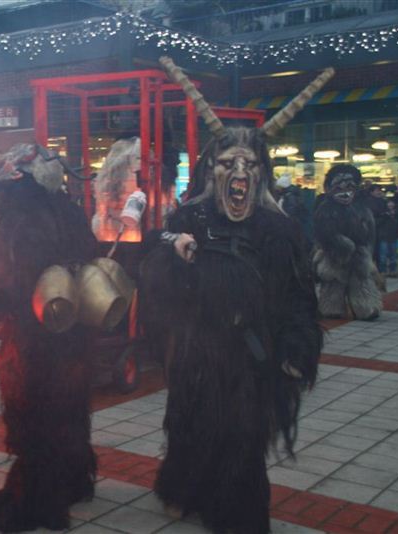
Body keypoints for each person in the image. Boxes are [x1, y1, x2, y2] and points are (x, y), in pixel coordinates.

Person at [140, 56, 325, 534]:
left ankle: (237, 517)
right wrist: (172, 251)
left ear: (261, 173)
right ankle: (185, 488)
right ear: (212, 170)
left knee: (243, 439)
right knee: (189, 426)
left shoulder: (279, 231)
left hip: (248, 359)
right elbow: (154, 268)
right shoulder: (190, 218)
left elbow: (299, 296)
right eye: (227, 164)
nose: (238, 173)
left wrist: (297, 347)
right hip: (196, 355)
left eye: (249, 165)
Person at [0, 143, 99, 532]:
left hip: (32, 337)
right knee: (70, 408)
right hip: (73, 330)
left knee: (33, 414)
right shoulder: (70, 210)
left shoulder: (14, 216)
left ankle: (39, 500)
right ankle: (74, 478)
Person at [314, 165, 382, 320]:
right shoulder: (325, 209)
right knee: (333, 282)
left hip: (359, 251)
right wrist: (338, 243)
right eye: (339, 188)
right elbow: (321, 232)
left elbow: (371, 232)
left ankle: (366, 308)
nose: (345, 193)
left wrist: (368, 251)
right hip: (333, 253)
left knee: (361, 280)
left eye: (350, 188)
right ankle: (331, 308)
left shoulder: (362, 208)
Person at [377, 199, 398, 275]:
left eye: (392, 203)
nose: (390, 205)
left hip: (394, 237)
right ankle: (383, 271)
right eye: (389, 203)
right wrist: (386, 216)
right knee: (383, 256)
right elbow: (378, 223)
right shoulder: (382, 213)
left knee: (393, 255)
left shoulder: (397, 214)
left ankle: (393, 270)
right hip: (384, 237)